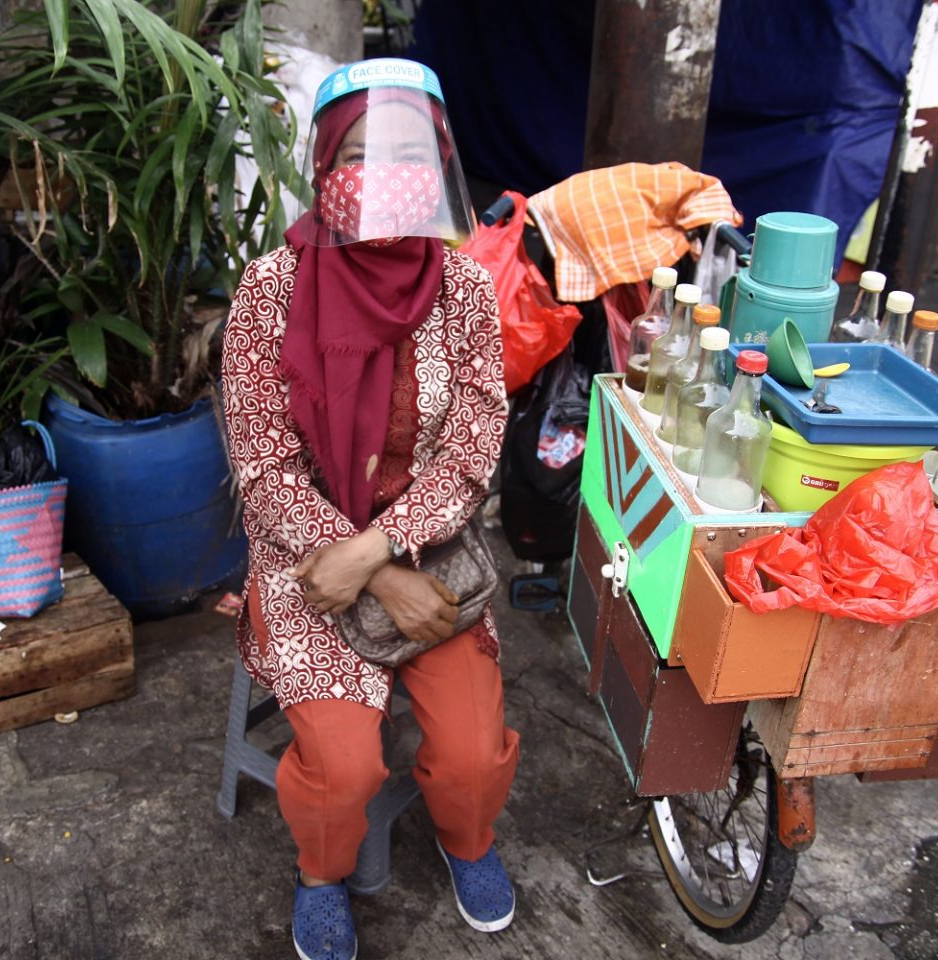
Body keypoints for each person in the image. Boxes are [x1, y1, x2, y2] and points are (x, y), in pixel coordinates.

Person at [221, 58, 520, 960]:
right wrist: (363, 567)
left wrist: (387, 550)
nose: (381, 172)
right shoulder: (267, 293)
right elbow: (263, 466)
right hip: (305, 560)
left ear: (437, 166)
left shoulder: (464, 290)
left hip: (434, 555)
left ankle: (469, 841)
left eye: (405, 153)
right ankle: (320, 874)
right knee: (345, 768)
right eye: (356, 151)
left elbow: (474, 448)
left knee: (472, 758)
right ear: (321, 164)